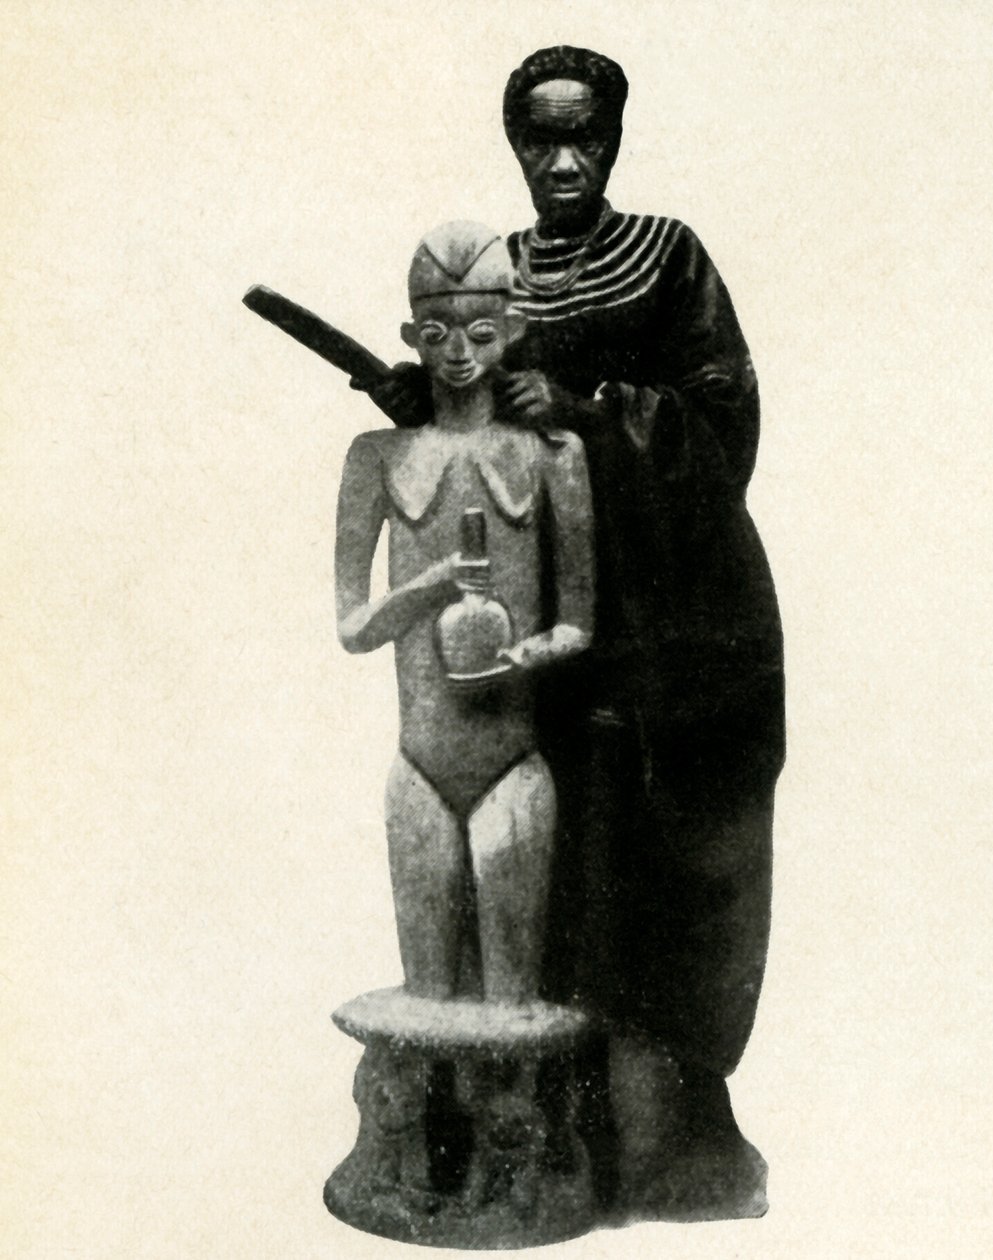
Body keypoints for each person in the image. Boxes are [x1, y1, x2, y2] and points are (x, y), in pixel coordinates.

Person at [355, 47, 785, 1219]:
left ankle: (668, 1139)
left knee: (665, 859)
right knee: (538, 859)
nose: (561, 162)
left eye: (582, 137)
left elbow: (727, 426)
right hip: (543, 622)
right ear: (514, 145)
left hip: (678, 621)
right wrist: (428, 401)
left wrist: (591, 414)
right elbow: (479, 418)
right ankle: (528, 1131)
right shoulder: (495, 274)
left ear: (612, 140)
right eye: (538, 139)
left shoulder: (666, 257)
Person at [335, 219, 593, 1004]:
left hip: (513, 764)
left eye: (480, 333)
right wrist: (431, 586)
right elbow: (353, 628)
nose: (456, 352)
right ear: (412, 338)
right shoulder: (377, 457)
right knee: (426, 1000)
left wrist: (522, 657)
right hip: (418, 765)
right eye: (437, 334)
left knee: (512, 1004)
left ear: (510, 332)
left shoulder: (550, 455)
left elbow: (578, 623)